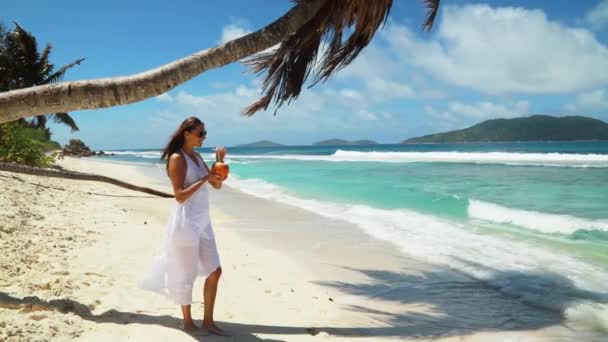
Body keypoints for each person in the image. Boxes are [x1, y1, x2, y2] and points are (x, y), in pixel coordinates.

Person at [140, 116, 227, 335]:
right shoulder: (178, 158)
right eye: (200, 133)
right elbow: (179, 196)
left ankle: (208, 321)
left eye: (204, 133)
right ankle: (188, 322)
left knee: (215, 271)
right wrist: (206, 179)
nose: (203, 137)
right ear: (186, 133)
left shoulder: (196, 157)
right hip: (185, 221)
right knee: (185, 273)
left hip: (203, 222)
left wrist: (219, 164)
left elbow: (216, 185)